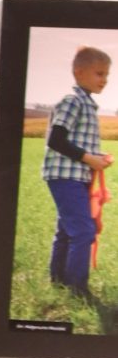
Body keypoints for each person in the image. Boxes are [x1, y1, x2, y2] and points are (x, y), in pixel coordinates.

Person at [41, 47, 111, 304]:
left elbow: (75, 143)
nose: (104, 79)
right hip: (64, 176)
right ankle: (77, 289)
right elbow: (55, 139)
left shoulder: (87, 104)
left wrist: (96, 157)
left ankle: (59, 280)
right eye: (99, 73)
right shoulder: (73, 101)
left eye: (107, 75)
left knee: (66, 230)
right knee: (83, 231)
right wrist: (89, 159)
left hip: (76, 176)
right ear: (79, 72)